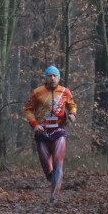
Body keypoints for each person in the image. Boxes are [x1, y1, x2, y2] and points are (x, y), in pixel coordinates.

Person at [24, 66, 77, 203]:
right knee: (48, 169)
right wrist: (35, 125)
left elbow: (71, 105)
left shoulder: (65, 92)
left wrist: (72, 114)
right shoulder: (37, 93)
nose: (52, 78)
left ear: (59, 78)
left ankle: (54, 196)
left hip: (59, 131)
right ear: (45, 78)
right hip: (42, 133)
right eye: (50, 76)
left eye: (55, 76)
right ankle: (50, 176)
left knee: (58, 163)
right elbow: (28, 110)